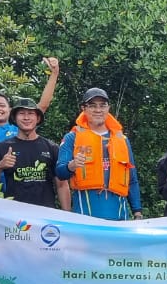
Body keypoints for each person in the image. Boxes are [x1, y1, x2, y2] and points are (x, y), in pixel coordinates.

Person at [56, 88, 143, 220]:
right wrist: (71, 166)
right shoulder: (72, 137)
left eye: (102, 105)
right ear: (83, 109)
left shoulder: (122, 140)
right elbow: (60, 173)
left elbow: (132, 179)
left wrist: (137, 211)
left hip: (118, 215)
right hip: (86, 215)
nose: (98, 110)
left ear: (108, 108)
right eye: (92, 106)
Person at [0, 98, 69, 209]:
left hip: (45, 214)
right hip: (14, 215)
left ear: (38, 118)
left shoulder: (51, 147)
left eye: (30, 113)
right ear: (14, 118)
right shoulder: (2, 147)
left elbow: (62, 185)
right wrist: (0, 166)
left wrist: (67, 215)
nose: (26, 117)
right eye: (21, 113)